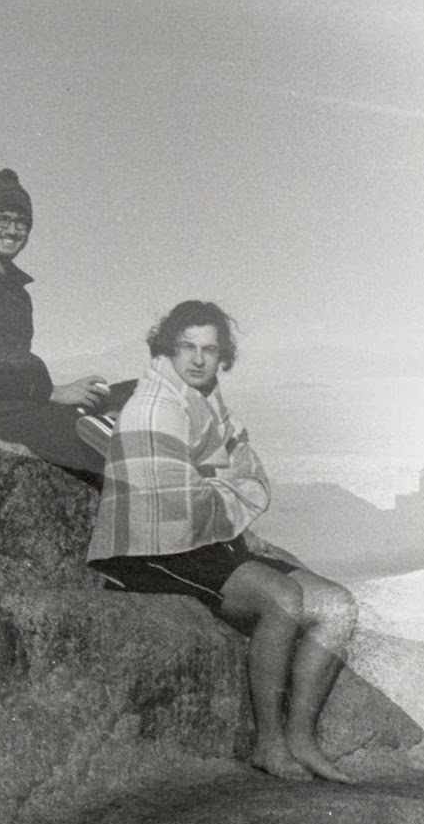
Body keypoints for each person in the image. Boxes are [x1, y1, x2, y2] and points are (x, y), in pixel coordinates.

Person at [87, 301, 357, 782]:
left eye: (210, 350)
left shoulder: (206, 401)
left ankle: (301, 736)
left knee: (337, 605)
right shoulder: (154, 403)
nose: (197, 359)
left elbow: (243, 471)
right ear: (167, 348)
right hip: (152, 551)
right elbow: (184, 497)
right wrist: (229, 479)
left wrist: (227, 479)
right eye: (187, 347)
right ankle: (268, 744)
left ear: (222, 357)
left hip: (203, 540)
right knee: (283, 598)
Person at [0, 168, 133, 476]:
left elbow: (14, 365)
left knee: (134, 392)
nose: (11, 229)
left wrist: (57, 393)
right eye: (1, 219)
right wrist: (51, 392)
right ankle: (114, 438)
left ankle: (111, 424)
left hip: (18, 406)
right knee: (78, 428)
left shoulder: (17, 293)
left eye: (21, 222)